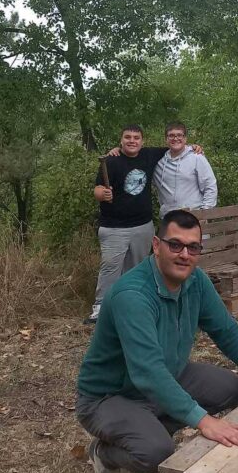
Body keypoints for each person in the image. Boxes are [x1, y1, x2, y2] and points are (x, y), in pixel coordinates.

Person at [77, 209, 238, 473]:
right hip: (109, 396)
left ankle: (147, 425)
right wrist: (203, 421)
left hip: (166, 377)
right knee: (155, 452)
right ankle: (105, 453)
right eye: (175, 245)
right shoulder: (133, 296)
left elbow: (226, 330)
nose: (184, 255)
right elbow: (147, 371)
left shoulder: (196, 281)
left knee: (229, 389)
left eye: (193, 247)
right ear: (156, 245)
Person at [85, 126, 202, 325]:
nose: (132, 141)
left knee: (136, 269)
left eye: (136, 138)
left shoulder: (149, 155)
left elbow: (175, 145)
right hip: (114, 227)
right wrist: (101, 194)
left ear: (142, 141)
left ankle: (131, 304)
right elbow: (97, 188)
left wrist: (193, 147)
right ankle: (100, 307)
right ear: (121, 140)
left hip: (142, 226)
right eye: (127, 137)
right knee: (110, 267)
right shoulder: (111, 161)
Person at [153, 122, 218, 218]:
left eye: (179, 135)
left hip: (194, 217)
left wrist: (204, 214)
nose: (175, 138)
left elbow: (210, 187)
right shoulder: (158, 162)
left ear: (185, 138)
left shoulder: (197, 157)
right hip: (168, 218)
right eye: (171, 135)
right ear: (166, 139)